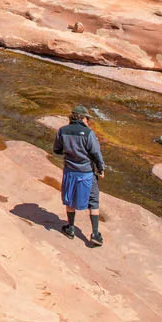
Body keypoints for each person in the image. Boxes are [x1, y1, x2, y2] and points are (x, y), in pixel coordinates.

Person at [53, 105, 106, 247]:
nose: (88, 121)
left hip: (70, 171)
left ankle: (70, 228)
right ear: (82, 118)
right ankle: (95, 234)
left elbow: (57, 150)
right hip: (87, 173)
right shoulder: (88, 133)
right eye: (87, 119)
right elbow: (96, 153)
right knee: (93, 201)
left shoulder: (62, 131)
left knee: (70, 200)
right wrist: (101, 168)